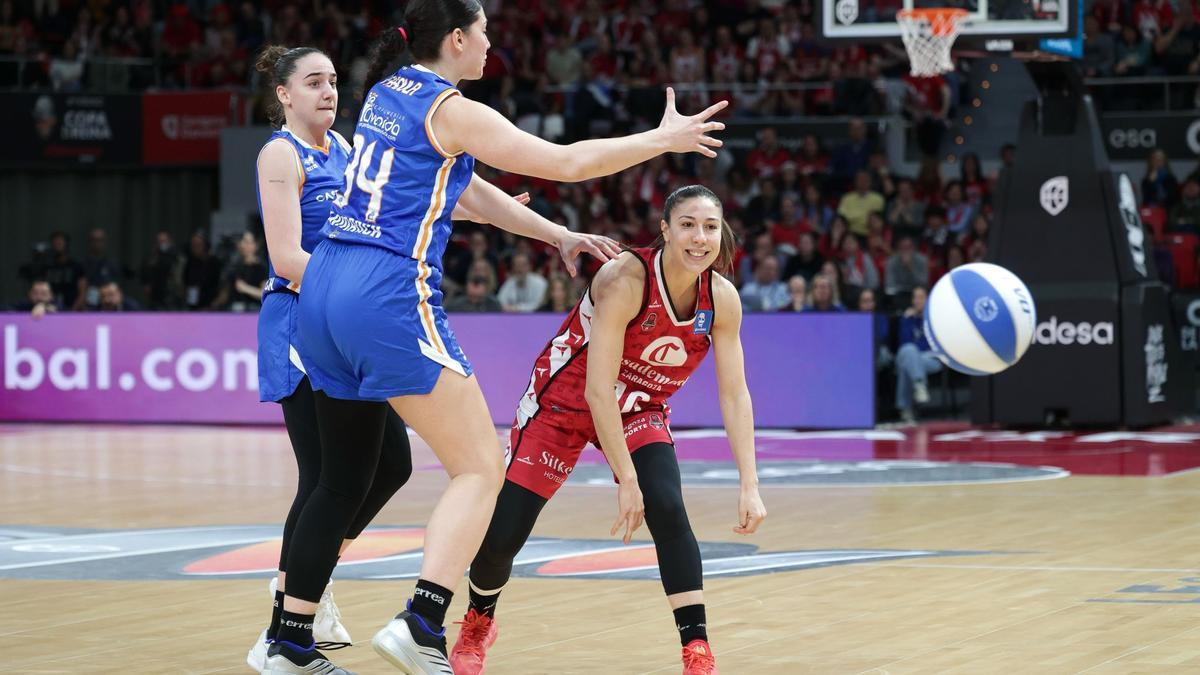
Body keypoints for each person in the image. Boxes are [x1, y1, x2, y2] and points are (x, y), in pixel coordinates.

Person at [293, 2, 726, 672]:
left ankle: (288, 632)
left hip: (322, 285)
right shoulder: (452, 108)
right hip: (382, 289)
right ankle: (420, 619)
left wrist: (556, 234)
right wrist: (659, 141)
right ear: (458, 38)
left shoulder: (386, 90)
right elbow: (567, 161)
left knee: (341, 478)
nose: (492, 45)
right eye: (486, 33)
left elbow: (465, 191)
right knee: (477, 467)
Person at [451, 186, 764, 675]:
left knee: (668, 505)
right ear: (664, 230)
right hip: (565, 401)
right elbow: (598, 392)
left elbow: (735, 395)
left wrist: (750, 483)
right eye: (687, 224)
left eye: (709, 226)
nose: (699, 237)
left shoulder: (722, 299)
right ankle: (477, 621)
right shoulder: (626, 280)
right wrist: (626, 479)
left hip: (639, 404)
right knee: (506, 533)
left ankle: (696, 650)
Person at [247, 44, 417, 675]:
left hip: (345, 324)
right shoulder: (278, 153)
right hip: (300, 322)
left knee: (388, 465)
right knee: (328, 478)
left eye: (334, 81)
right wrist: (359, 289)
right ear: (285, 95)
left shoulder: (346, 150)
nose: (328, 91)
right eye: (313, 82)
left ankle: (301, 578)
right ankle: (285, 631)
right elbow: (288, 257)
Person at [895, 286, 942, 423]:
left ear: (927, 300)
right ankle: (919, 384)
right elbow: (903, 342)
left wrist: (924, 317)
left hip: (930, 359)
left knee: (907, 364)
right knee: (909, 351)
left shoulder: (934, 320)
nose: (917, 301)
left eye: (921, 297)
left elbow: (931, 344)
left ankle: (906, 410)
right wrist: (907, 319)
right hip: (908, 354)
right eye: (915, 297)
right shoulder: (907, 318)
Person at [214, 230, 269, 312]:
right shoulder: (234, 267)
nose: (243, 245)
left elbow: (264, 294)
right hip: (234, 311)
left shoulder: (261, 267)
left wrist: (245, 288)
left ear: (255, 245)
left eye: (247, 242)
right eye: (242, 242)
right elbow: (225, 293)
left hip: (253, 311)